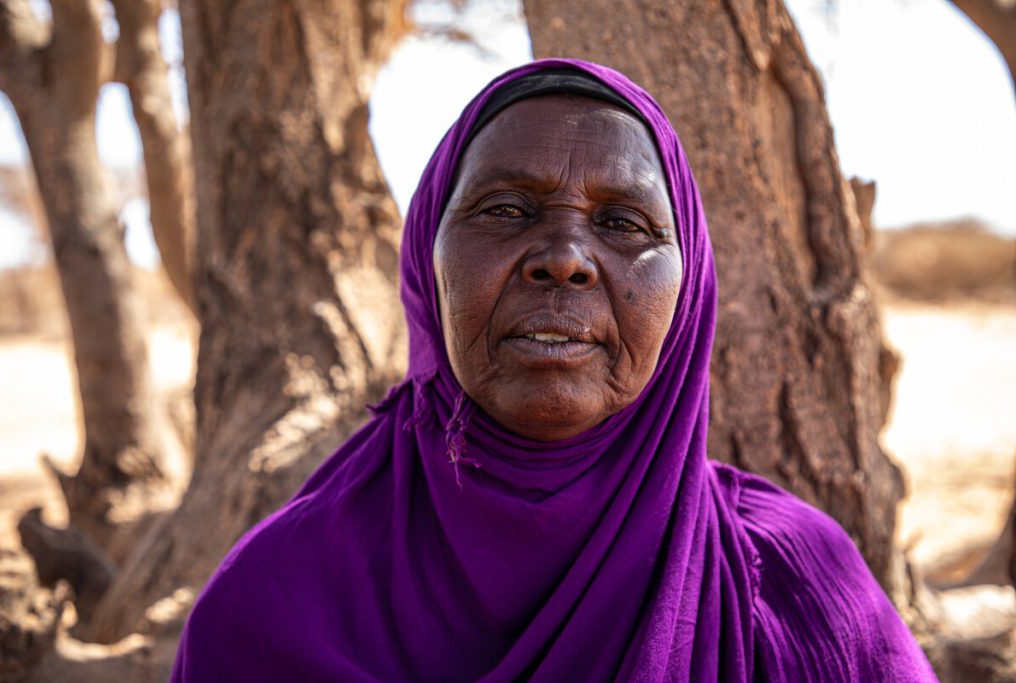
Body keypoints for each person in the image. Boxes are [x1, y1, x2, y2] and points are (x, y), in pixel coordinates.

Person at [171, 59, 936, 682]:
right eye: (505, 209)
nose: (565, 258)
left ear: (690, 289)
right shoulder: (276, 600)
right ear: (424, 265)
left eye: (622, 223)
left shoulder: (791, 583)